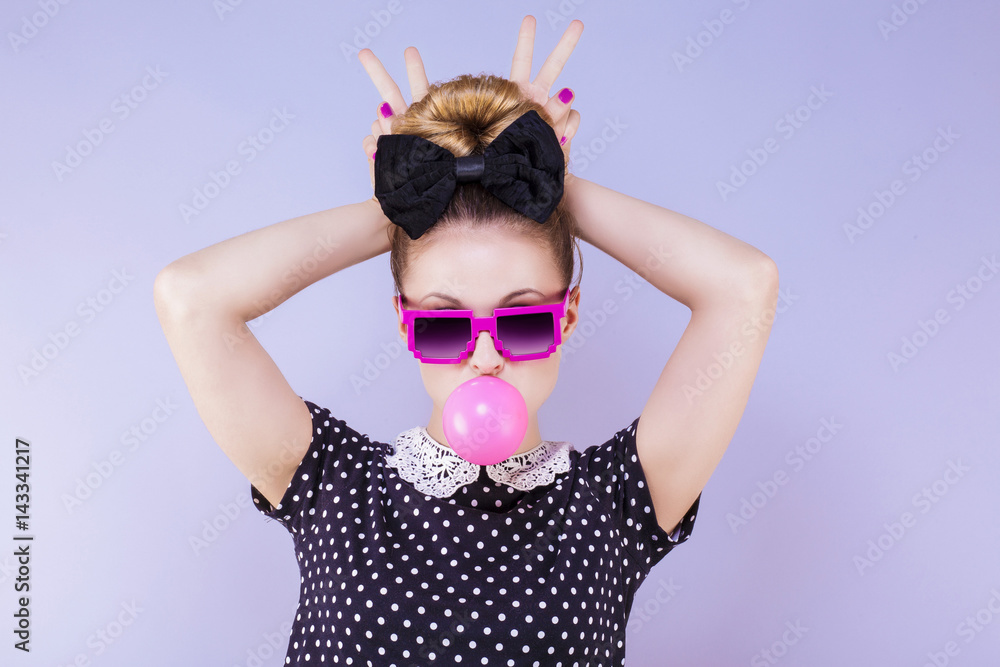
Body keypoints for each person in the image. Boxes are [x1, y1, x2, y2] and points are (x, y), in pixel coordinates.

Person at [154, 15, 778, 666]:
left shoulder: (617, 502)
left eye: (524, 319)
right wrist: (409, 197)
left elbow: (744, 286)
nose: (486, 357)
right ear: (406, 323)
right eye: (446, 323)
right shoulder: (331, 484)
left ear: (565, 319)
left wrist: (543, 181)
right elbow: (191, 297)